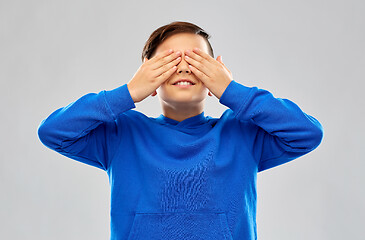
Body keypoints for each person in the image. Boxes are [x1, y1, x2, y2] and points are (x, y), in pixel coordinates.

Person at [37, 21, 324, 240]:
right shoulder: (122, 135)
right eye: (171, 61)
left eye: (197, 61)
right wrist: (128, 92)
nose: (185, 69)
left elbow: (307, 133)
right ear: (148, 76)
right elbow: (53, 131)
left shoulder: (242, 133)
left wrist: (232, 91)